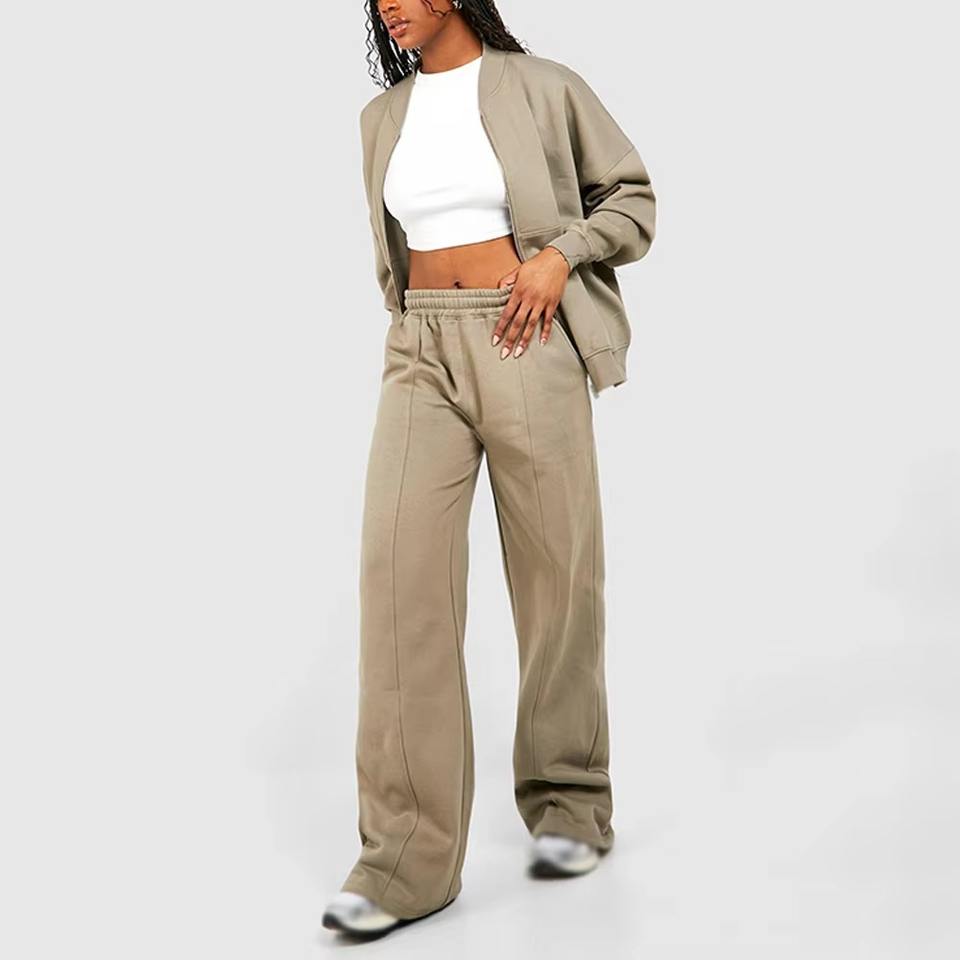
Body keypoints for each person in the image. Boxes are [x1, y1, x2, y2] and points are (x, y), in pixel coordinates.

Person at [323, 0, 656, 939]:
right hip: (420, 346)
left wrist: (559, 258)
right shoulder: (380, 118)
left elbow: (632, 199)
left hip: (527, 336)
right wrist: (417, 326)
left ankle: (569, 801)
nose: (389, 2)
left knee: (556, 577)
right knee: (399, 581)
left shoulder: (545, 86)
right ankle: (405, 858)